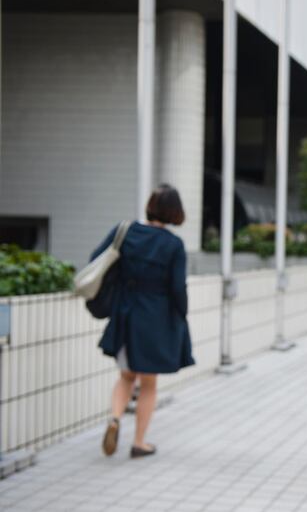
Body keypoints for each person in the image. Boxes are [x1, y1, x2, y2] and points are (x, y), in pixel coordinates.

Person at [94, 184, 195, 459]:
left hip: (126, 315)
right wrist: (181, 315)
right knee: (148, 384)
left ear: (150, 206)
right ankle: (139, 442)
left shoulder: (125, 232)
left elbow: (96, 259)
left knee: (126, 376)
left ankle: (114, 419)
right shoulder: (173, 245)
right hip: (156, 320)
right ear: (176, 211)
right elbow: (177, 288)